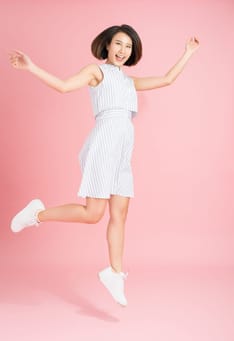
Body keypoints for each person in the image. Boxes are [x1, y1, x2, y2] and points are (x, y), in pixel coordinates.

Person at [9, 24, 200, 306]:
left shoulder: (128, 81)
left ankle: (115, 271)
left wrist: (188, 52)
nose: (123, 50)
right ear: (107, 45)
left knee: (120, 214)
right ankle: (38, 214)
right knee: (92, 214)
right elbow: (63, 87)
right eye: (119, 44)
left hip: (123, 151)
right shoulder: (96, 72)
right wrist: (32, 67)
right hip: (103, 146)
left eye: (128, 47)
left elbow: (167, 80)